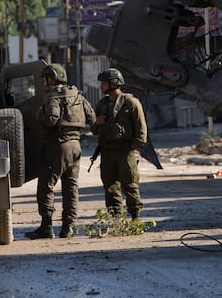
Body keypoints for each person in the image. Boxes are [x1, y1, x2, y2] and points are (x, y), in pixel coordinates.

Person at [25, 63, 96, 239]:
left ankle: (47, 227)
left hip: (57, 146)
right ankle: (68, 227)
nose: (44, 82)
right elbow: (92, 117)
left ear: (52, 78)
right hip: (75, 146)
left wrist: (39, 115)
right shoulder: (77, 94)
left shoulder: (52, 97)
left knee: (46, 187)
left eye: (45, 79)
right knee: (71, 187)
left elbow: (50, 119)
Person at [91, 68, 147, 219]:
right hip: (107, 150)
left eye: (104, 83)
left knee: (130, 184)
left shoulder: (131, 103)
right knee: (110, 186)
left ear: (114, 83)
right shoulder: (102, 104)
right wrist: (97, 123)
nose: (101, 86)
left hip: (125, 150)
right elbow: (94, 130)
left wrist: (132, 149)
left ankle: (135, 216)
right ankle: (115, 217)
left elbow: (141, 129)